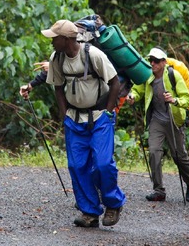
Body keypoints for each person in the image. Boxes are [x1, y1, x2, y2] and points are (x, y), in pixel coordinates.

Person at [42, 19, 126, 228]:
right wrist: (65, 117)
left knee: (102, 163)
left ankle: (113, 204)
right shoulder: (57, 59)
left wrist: (108, 112)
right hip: (74, 119)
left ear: (66, 39)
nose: (52, 42)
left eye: (55, 38)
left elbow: (115, 82)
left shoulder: (93, 55)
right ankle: (89, 212)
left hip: (100, 118)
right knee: (77, 166)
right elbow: (58, 88)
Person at [127, 47, 189, 202]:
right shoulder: (147, 75)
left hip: (173, 119)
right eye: (151, 60)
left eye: (156, 61)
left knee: (179, 156)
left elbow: (188, 99)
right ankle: (159, 190)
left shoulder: (173, 75)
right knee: (154, 152)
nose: (153, 63)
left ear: (164, 62)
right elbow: (137, 90)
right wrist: (132, 96)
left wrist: (174, 100)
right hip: (156, 120)